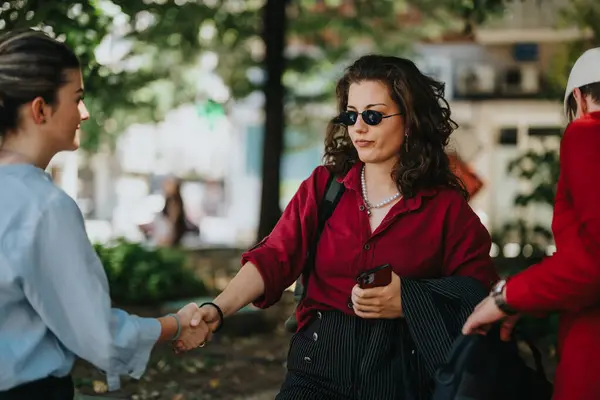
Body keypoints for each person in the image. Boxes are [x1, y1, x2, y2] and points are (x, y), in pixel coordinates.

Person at [175, 55, 499, 399]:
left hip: (404, 373)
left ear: (410, 121)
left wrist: (410, 301)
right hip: (318, 363)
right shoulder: (323, 187)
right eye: (351, 115)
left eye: (373, 116)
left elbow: (479, 293)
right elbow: (273, 257)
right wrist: (217, 310)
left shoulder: (445, 207)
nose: (359, 127)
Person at [0, 29, 211, 400]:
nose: (85, 112)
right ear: (40, 109)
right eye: (77, 98)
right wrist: (176, 324)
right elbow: (100, 337)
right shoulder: (43, 206)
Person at [462, 47, 600, 400]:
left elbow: (594, 261)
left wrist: (507, 297)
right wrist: (526, 295)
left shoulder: (588, 133)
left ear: (580, 99)